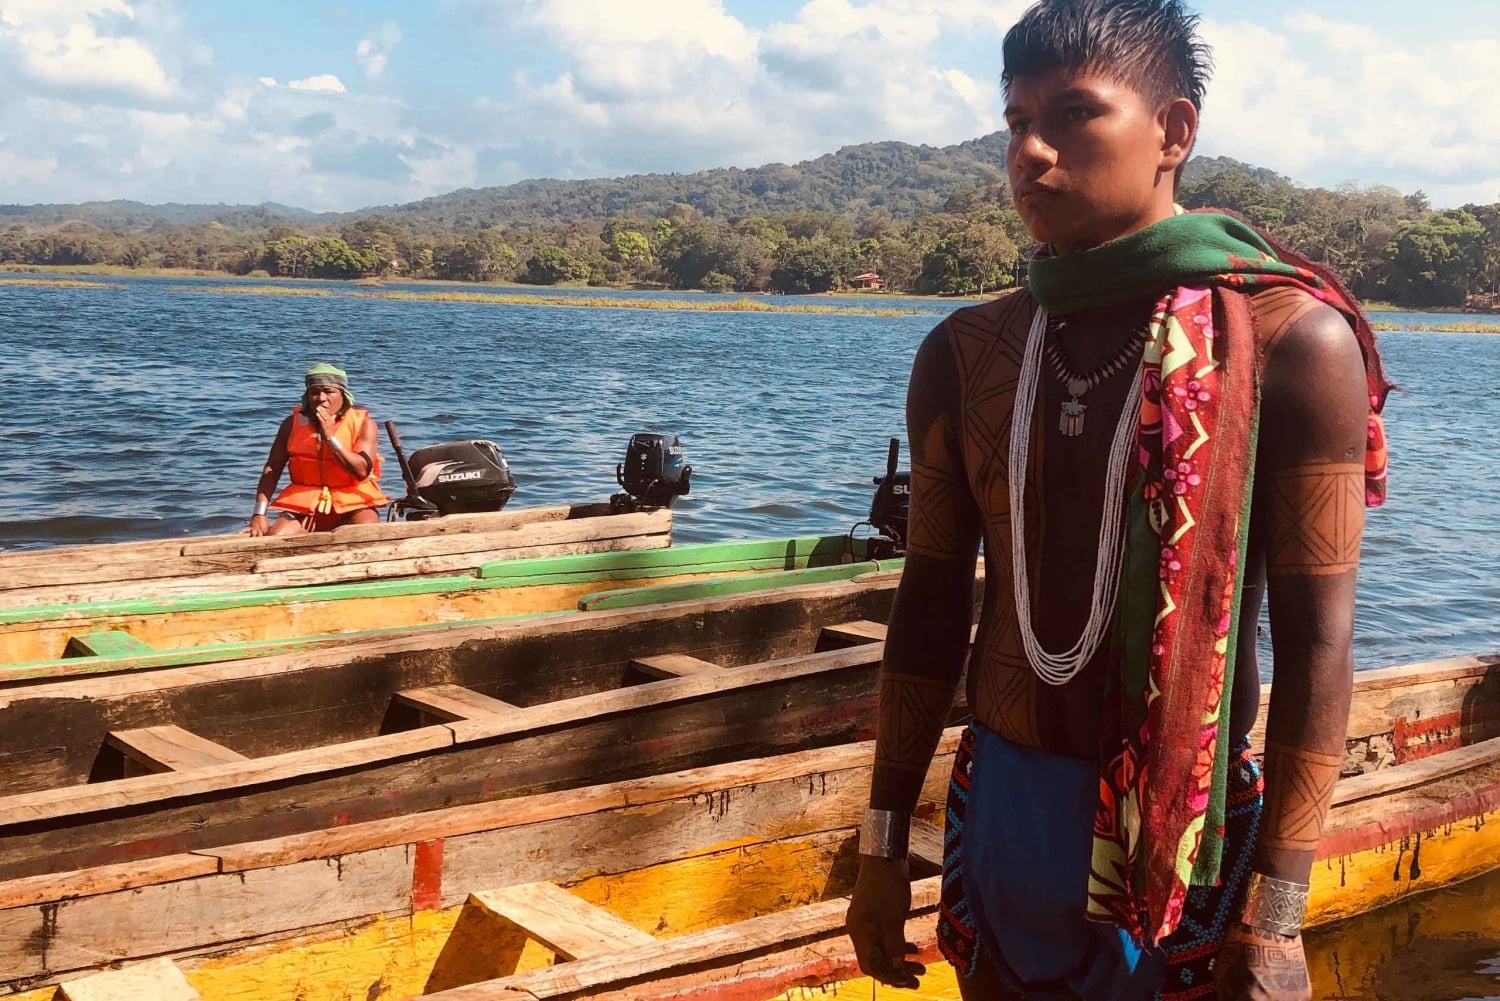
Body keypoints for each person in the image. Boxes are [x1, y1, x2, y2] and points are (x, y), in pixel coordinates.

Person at [843, 2, 1392, 999]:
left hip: (1188, 835)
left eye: (1074, 115)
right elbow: (928, 610)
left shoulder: (1292, 346)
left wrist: (1276, 914)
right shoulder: (966, 356)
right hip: (1003, 808)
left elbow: (1321, 642)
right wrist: (882, 843)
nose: (1033, 153)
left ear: (1173, 132)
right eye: (1016, 122)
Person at [248, 363, 391, 536]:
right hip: (307, 502)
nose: (321, 398)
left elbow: (361, 471)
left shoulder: (364, 424)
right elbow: (272, 468)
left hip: (353, 503)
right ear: (307, 396)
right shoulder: (291, 424)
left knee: (367, 533)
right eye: (314, 392)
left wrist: (331, 437)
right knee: (276, 538)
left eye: (329, 391)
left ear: (343, 396)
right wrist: (259, 513)